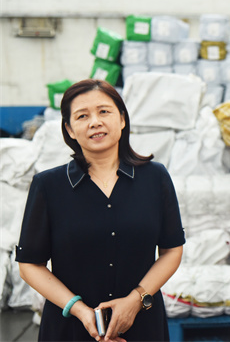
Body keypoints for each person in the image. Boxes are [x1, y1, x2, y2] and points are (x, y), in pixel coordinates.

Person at [16, 79, 185, 342]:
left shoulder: (155, 178)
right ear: (69, 130)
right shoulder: (48, 186)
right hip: (71, 328)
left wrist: (136, 300)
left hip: (141, 323)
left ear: (122, 119)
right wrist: (81, 311)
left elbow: (172, 250)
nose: (95, 122)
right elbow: (29, 265)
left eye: (104, 111)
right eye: (82, 116)